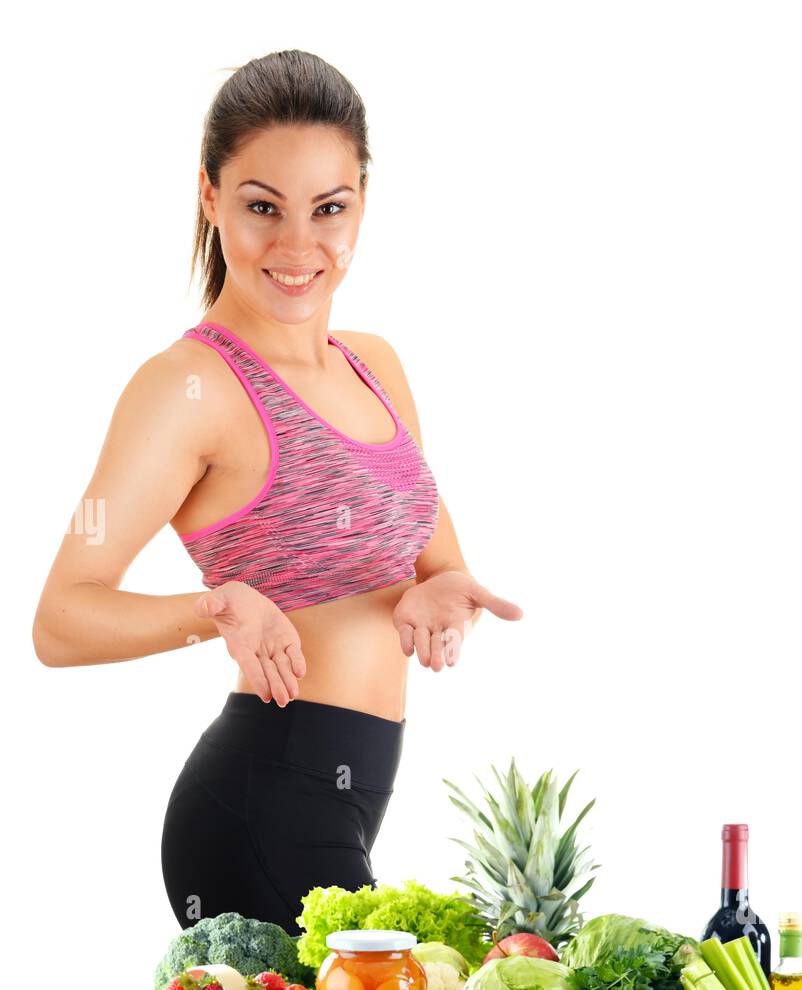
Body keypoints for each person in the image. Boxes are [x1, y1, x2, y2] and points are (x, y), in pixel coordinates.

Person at [32, 50, 522, 936]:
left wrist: (445, 596)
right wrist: (215, 607)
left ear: (361, 207)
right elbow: (61, 621)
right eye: (262, 207)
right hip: (258, 801)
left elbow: (434, 565)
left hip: (357, 789)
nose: (299, 248)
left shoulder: (376, 365)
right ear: (210, 198)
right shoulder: (187, 387)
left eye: (327, 209)